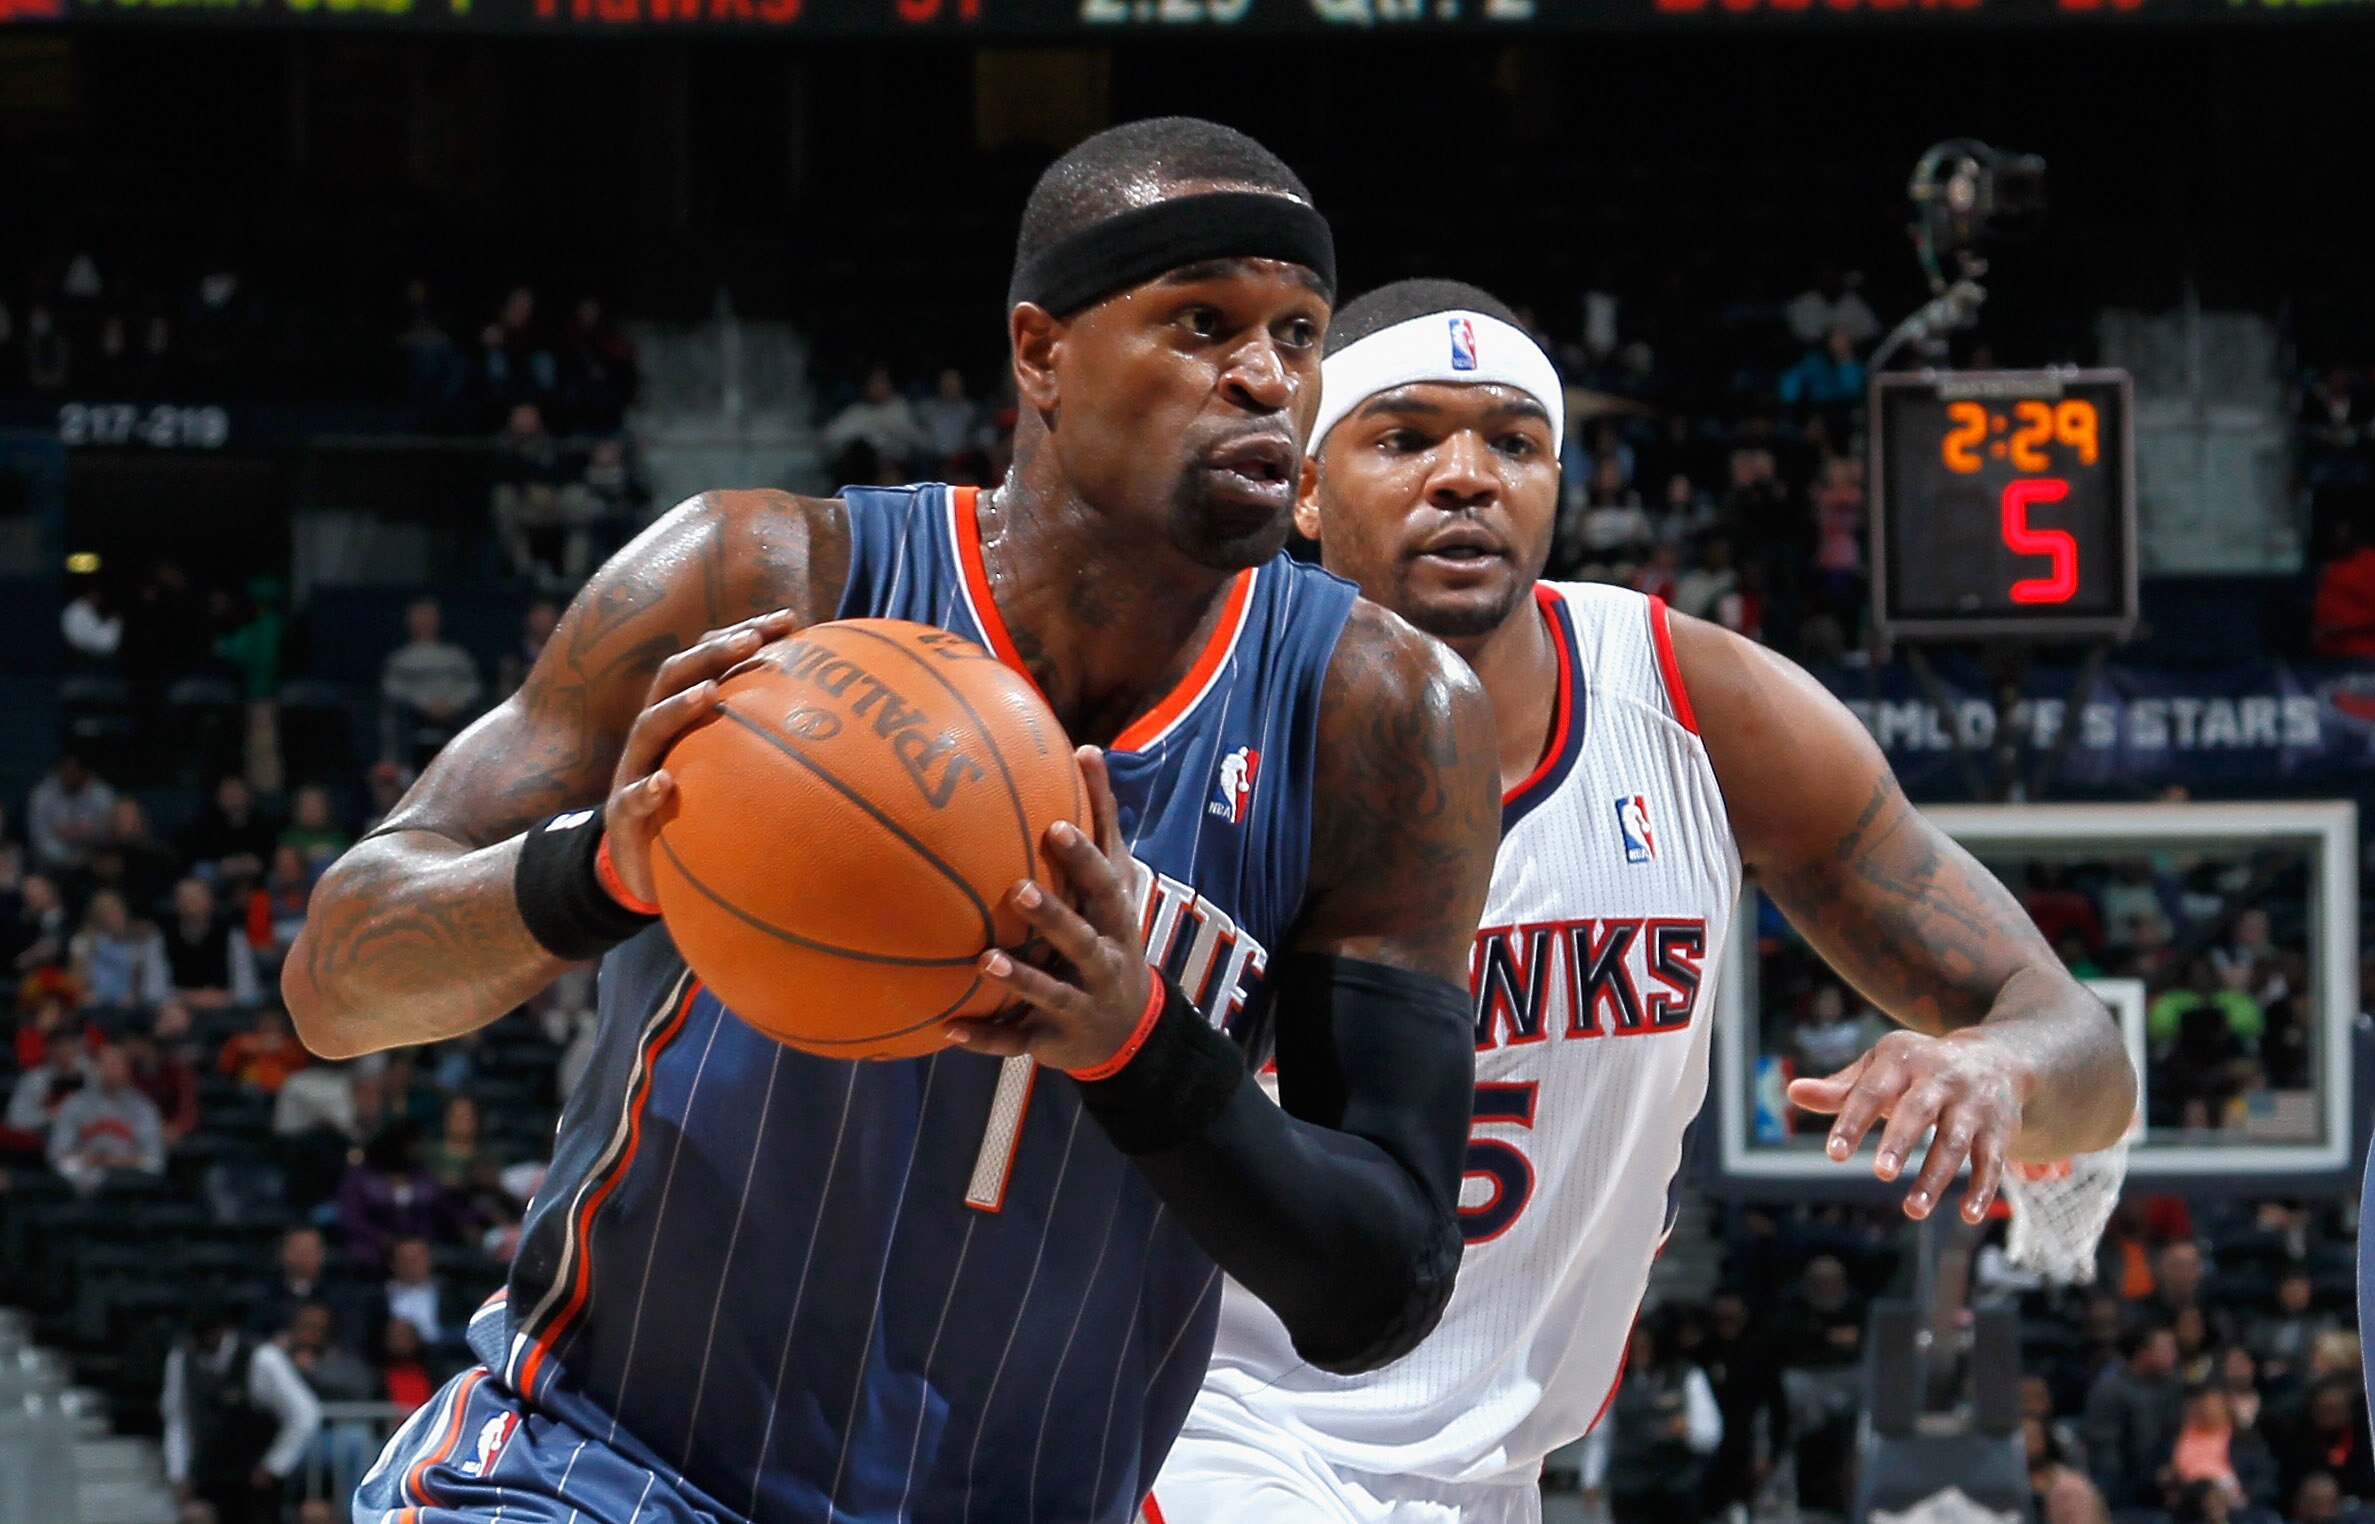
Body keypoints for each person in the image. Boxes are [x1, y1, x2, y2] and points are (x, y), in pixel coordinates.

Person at [292, 119, 1499, 1524]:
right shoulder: (760, 581)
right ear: (1040, 354)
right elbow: (336, 982)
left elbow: (1379, 1288)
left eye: (1296, 334)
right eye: (1198, 321)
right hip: (606, 1468)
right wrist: (600, 875)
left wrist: (1136, 1045)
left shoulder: (1377, 713)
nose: (1262, 378)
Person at [1153, 279, 2134, 1523]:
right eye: (1403, 438)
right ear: (1299, 486)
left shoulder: (1697, 707)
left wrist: (1997, 1068)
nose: (1466, 476)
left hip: (1495, 1465)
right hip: (1201, 1418)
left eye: (1512, 442)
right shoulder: (1181, 710)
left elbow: (2085, 1052)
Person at [161, 1298, 322, 1524]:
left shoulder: (262, 1357)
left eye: (210, 1332)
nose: (205, 1340)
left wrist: (274, 1465)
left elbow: (305, 1413)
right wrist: (179, 1473)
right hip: (208, 1474)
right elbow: (177, 1418)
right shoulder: (181, 1359)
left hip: (254, 1480)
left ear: (224, 1328)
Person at [1580, 1320, 1723, 1524]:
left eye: (1646, 1347)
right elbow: (1602, 1437)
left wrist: (1687, 1428)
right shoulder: (1617, 1381)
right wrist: (1591, 1479)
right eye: (1636, 1347)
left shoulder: (1687, 1376)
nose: (1641, 1354)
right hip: (1629, 1487)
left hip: (1675, 1487)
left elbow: (1710, 1432)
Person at [2087, 1325, 2185, 1510]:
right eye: (2167, 1349)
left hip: (2167, 1484)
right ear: (2142, 1352)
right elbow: (2106, 1454)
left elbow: (2175, 1436)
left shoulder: (2173, 1386)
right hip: (2124, 1489)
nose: (2174, 1355)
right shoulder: (2109, 1390)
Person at [378, 597, 483, 767]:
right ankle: (403, 771)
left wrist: (452, 704)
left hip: (454, 712)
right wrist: (425, 705)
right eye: (419, 616)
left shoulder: (456, 656)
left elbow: (472, 686)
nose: (424, 621)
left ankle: (471, 767)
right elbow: (393, 689)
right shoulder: (400, 659)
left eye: (429, 616)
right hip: (415, 715)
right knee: (396, 715)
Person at [71, 887, 173, 1019]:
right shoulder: (84, 941)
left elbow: (142, 977)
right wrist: (86, 995)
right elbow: (77, 979)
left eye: (114, 911)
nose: (111, 917)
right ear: (96, 916)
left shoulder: (141, 937)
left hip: (133, 1002)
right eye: (105, 913)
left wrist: (135, 998)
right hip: (98, 1001)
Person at [163, 877, 262, 1011]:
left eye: (195, 898)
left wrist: (223, 998)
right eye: (183, 898)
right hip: (180, 1010)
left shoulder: (232, 935)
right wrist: (193, 998)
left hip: (229, 1009)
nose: (189, 903)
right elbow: (154, 991)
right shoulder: (162, 937)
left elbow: (248, 989)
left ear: (209, 900)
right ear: (175, 903)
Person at [28, 753, 117, 877]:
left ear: (85, 772)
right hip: (53, 867)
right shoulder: (43, 795)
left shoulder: (102, 794)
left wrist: (89, 857)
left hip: (94, 864)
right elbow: (41, 841)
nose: (70, 774)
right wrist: (72, 861)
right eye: (66, 769)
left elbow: (108, 834)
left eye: (75, 769)